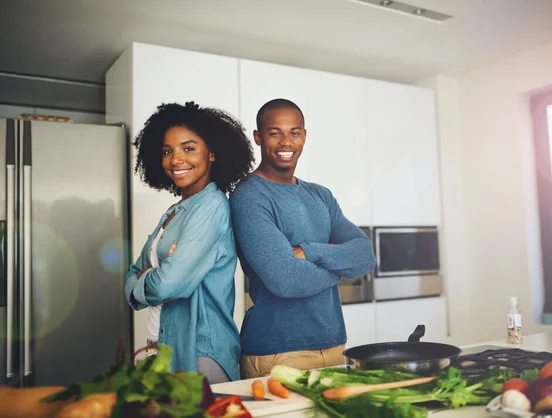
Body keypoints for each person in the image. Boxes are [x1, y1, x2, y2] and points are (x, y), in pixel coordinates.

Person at [229, 98, 376, 379]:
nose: (286, 142)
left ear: (304, 136)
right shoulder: (250, 196)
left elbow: (365, 256)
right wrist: (341, 269)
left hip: (334, 345)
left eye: (294, 132)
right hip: (277, 353)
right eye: (275, 133)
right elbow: (286, 280)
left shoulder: (320, 195)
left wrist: (309, 252)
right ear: (258, 137)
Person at [125, 101, 254, 382]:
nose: (176, 159)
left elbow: (168, 284)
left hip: (198, 353)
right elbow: (133, 274)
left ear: (212, 154)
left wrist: (147, 279)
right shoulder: (174, 212)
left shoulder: (212, 206)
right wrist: (148, 278)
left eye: (189, 148)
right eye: (167, 151)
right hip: (162, 348)